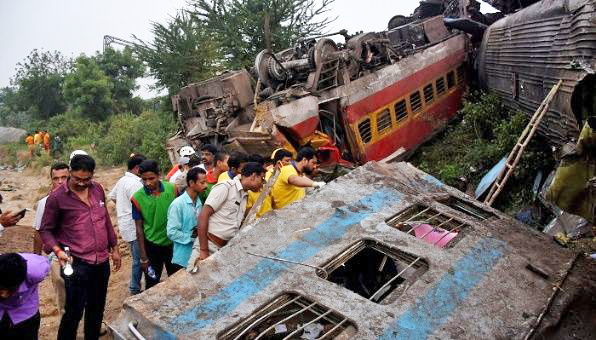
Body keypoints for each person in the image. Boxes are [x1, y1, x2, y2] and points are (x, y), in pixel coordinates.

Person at [39, 154, 121, 340]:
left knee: (96, 309)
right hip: (76, 263)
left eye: (87, 179)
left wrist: (114, 247)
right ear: (70, 172)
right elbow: (46, 230)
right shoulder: (57, 197)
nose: (82, 183)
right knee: (73, 312)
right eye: (77, 179)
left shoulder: (98, 189)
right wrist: (58, 251)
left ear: (92, 175)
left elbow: (105, 219)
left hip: (101, 262)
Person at [195, 162, 265, 260]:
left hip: (222, 250)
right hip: (208, 246)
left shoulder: (245, 196)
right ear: (253, 176)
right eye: (262, 179)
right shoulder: (226, 187)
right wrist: (203, 250)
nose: (262, 184)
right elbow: (203, 215)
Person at [132, 160, 180, 289]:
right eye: (144, 179)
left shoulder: (172, 189)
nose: (148, 183)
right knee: (152, 283)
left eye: (151, 178)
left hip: (173, 244)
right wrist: (143, 257)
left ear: (159, 174)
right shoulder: (137, 198)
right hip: (152, 247)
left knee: (178, 280)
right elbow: (139, 229)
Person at [32, 162, 68, 317]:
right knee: (61, 285)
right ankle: (66, 325)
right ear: (51, 180)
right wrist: (35, 260)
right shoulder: (44, 203)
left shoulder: (80, 198)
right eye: (56, 178)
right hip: (56, 253)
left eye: (64, 177)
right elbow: (38, 232)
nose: (60, 182)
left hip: (81, 251)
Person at [107, 154, 146, 295]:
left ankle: (137, 285)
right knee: (139, 257)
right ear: (137, 168)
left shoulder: (123, 180)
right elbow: (141, 205)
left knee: (138, 256)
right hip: (134, 224)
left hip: (125, 223)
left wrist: (123, 209)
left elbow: (112, 196)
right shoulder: (135, 184)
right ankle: (134, 288)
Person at [0, 253, 50, 340]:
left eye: (10, 290)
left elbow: (48, 262)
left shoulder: (37, 270)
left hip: (26, 313)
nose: (4, 295)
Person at [167, 167, 208, 268]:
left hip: (197, 254)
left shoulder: (199, 202)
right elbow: (171, 232)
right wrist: (192, 236)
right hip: (183, 258)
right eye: (202, 183)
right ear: (191, 183)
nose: (206, 185)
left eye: (206, 182)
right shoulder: (177, 204)